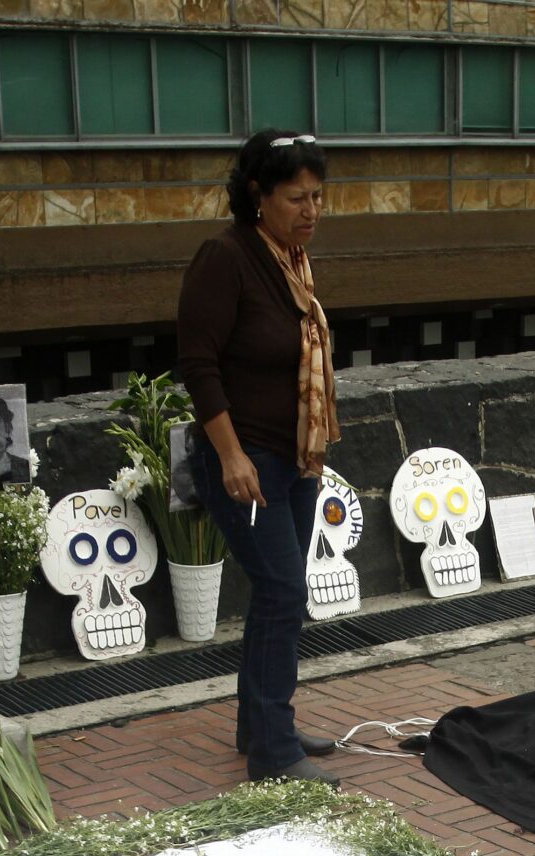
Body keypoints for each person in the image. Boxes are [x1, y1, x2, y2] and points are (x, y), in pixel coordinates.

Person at [178, 129, 342, 783]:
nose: (311, 211)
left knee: (277, 595)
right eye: (297, 198)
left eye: (319, 197)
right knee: (281, 590)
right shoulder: (225, 259)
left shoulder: (291, 264)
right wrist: (230, 455)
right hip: (245, 464)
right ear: (258, 196)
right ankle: (275, 755)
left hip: (292, 458)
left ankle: (261, 726)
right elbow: (198, 364)